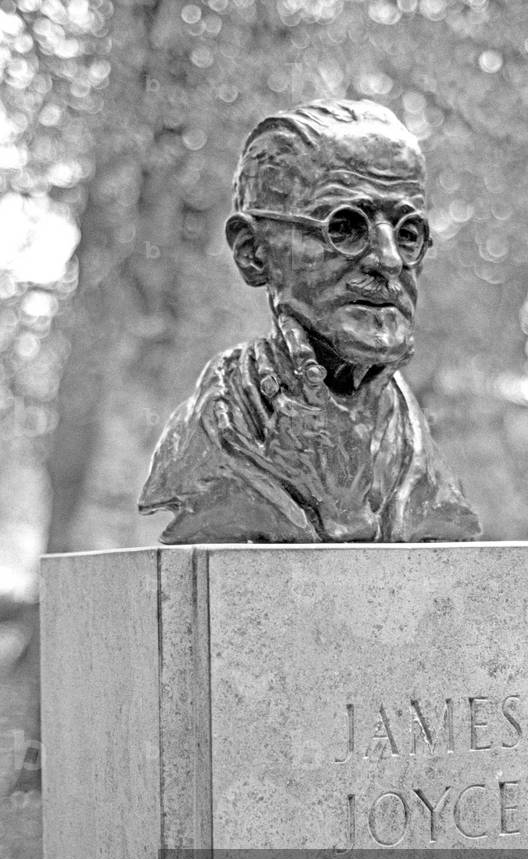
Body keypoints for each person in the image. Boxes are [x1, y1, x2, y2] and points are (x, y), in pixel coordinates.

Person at [138, 99, 481, 543]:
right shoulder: (211, 436)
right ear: (253, 251)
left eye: (408, 233)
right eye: (345, 228)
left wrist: (344, 506)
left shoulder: (422, 461)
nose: (389, 260)